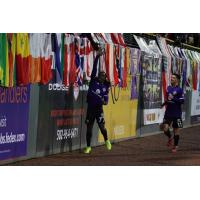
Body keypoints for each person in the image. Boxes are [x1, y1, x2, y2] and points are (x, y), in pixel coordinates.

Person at [84, 48, 112, 154]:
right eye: (100, 75)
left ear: (105, 78)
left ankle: (106, 140)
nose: (101, 76)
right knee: (89, 129)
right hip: (90, 108)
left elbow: (106, 101)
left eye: (103, 76)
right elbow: (95, 68)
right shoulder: (92, 81)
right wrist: (97, 56)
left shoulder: (105, 87)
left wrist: (104, 101)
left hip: (99, 109)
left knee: (102, 128)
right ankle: (88, 147)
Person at [160, 73, 184, 153]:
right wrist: (163, 104)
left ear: (177, 80)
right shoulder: (168, 88)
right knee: (164, 128)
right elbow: (168, 99)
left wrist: (174, 99)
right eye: (171, 77)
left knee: (176, 130)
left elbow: (182, 101)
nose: (171, 79)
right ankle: (170, 137)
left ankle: (175, 146)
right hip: (168, 112)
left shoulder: (180, 90)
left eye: (173, 78)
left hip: (177, 113)